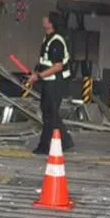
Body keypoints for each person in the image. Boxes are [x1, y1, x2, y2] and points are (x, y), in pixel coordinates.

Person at [25, 11, 75, 154]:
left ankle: (45, 146)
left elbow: (57, 66)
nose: (43, 19)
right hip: (48, 81)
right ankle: (65, 141)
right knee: (50, 113)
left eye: (46, 18)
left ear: (51, 23)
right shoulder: (47, 38)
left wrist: (39, 76)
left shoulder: (56, 41)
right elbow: (43, 61)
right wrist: (36, 72)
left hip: (56, 82)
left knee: (49, 115)